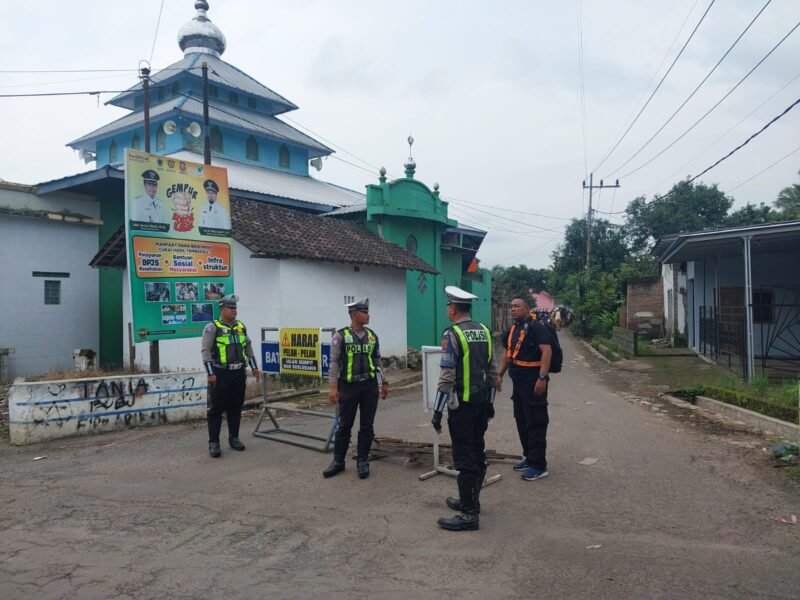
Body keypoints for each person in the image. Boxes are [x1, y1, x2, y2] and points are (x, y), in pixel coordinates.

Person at [433, 286, 498, 531]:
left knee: (464, 457)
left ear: (453, 309)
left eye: (448, 306)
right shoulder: (484, 331)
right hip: (481, 404)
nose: (447, 310)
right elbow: (492, 372)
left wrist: (437, 412)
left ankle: (469, 514)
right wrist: (490, 403)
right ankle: (471, 500)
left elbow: (446, 377)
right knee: (477, 450)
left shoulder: (452, 334)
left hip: (462, 406)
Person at [323, 298, 389, 480]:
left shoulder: (372, 336)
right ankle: (338, 461)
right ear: (353, 315)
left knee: (367, 425)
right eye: (364, 312)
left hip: (369, 386)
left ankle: (362, 461)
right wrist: (332, 386)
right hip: (348, 386)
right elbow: (334, 362)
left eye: (367, 312)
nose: (368, 315)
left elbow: (377, 360)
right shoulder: (340, 336)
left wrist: (384, 382)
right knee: (345, 425)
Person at [497, 295, 553, 482]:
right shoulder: (513, 328)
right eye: (511, 306)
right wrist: (500, 374)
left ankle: (539, 465)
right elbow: (508, 353)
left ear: (527, 309)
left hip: (533, 382)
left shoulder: (537, 327)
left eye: (517, 306)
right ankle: (529, 456)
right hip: (518, 384)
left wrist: (542, 378)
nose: (512, 309)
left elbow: (546, 350)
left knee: (536, 422)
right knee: (522, 420)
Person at [200, 294, 260, 458]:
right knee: (216, 409)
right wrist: (210, 373)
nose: (234, 310)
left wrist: (254, 367)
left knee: (235, 407)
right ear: (222, 309)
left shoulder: (241, 326)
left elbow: (248, 347)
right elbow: (206, 351)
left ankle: (234, 438)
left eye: (235, 308)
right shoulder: (213, 327)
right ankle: (214, 442)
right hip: (220, 374)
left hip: (238, 373)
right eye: (231, 308)